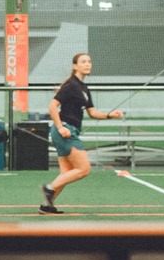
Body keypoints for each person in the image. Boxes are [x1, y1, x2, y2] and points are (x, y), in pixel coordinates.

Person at [39, 52, 123, 215]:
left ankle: (46, 206)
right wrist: (61, 127)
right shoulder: (71, 85)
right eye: (83, 61)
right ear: (75, 66)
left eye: (89, 61)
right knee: (84, 169)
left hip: (68, 131)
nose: (87, 64)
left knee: (66, 173)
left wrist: (109, 115)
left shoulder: (84, 88)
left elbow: (93, 113)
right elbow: (52, 106)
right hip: (65, 131)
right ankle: (49, 189)